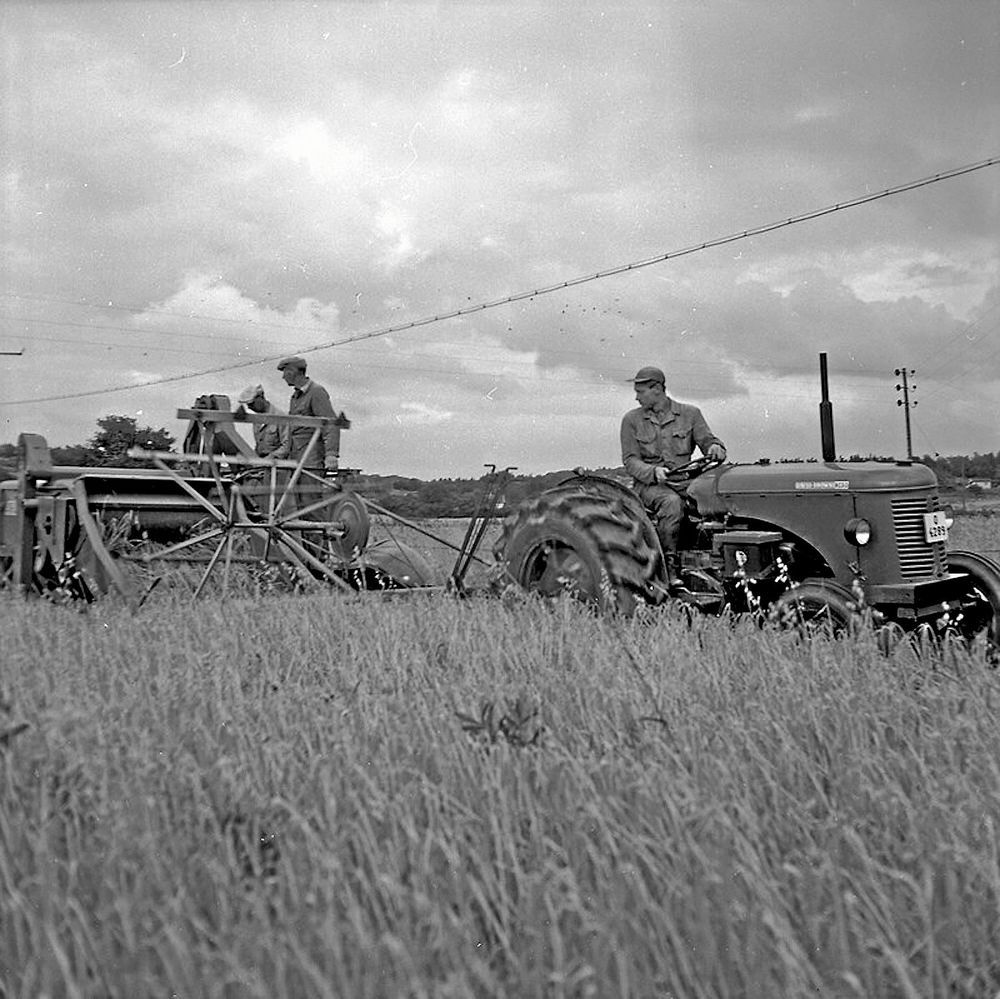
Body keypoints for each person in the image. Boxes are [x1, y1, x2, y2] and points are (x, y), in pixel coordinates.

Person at [621, 365, 727, 560]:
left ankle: (716, 557)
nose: (637, 398)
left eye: (640, 392)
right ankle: (669, 564)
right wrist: (653, 471)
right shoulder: (631, 420)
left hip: (685, 482)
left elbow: (707, 441)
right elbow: (630, 460)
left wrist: (715, 448)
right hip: (650, 486)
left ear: (657, 389)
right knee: (672, 504)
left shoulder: (691, 414)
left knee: (718, 500)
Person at [270, 356, 340, 473]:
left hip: (311, 458)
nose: (283, 377)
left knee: (310, 490)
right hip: (296, 456)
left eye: (285, 372)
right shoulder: (295, 397)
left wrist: (331, 454)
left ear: (292, 372)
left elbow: (330, 423)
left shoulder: (316, 392)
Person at [237, 384, 285, 457]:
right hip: (261, 462)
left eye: (251, 404)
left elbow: (285, 447)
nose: (249, 408)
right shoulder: (257, 419)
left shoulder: (280, 417)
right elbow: (259, 446)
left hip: (278, 464)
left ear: (261, 397)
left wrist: (269, 459)